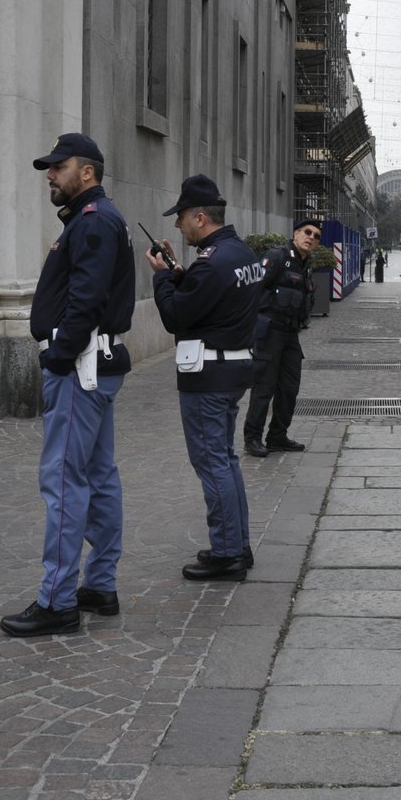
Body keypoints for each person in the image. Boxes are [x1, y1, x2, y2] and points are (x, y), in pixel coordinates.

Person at [0, 133, 135, 638]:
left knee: (62, 479)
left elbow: (86, 296)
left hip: (80, 365)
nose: (50, 176)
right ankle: (99, 585)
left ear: (87, 172)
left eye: (58, 167)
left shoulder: (94, 222)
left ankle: (57, 600)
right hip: (94, 362)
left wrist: (58, 354)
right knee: (98, 475)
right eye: (49, 168)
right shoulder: (95, 219)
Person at [147, 174, 265, 582]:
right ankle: (238, 544)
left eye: (180, 217)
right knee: (226, 461)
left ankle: (227, 553)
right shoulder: (241, 253)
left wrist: (162, 277)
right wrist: (183, 277)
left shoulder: (211, 263)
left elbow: (176, 316)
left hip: (208, 375)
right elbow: (215, 301)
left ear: (199, 217)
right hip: (233, 368)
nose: (177, 226)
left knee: (212, 463)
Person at [243, 219, 318, 458]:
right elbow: (252, 290)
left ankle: (277, 437)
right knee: (264, 388)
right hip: (270, 333)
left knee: (289, 388)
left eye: (316, 236)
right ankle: (252, 437)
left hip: (291, 334)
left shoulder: (306, 263)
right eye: (307, 232)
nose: (311, 238)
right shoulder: (276, 257)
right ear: (296, 233)